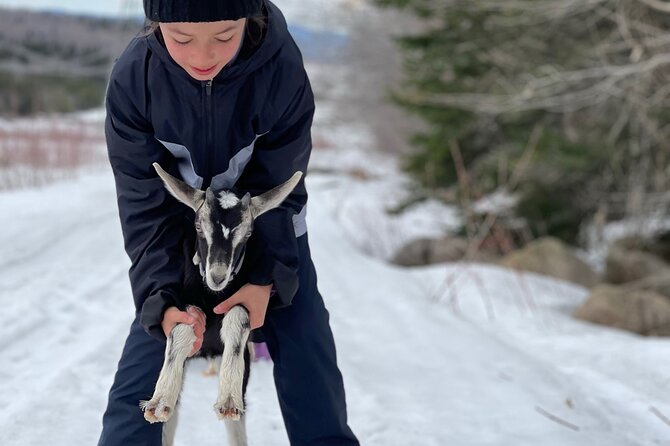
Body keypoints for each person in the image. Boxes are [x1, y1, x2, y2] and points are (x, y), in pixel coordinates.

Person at [98, 1, 360, 445]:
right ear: (156, 23)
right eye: (181, 38)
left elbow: (282, 186)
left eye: (224, 36)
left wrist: (265, 279)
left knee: (308, 358)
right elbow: (145, 206)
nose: (203, 57)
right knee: (142, 380)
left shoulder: (280, 69)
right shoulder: (134, 79)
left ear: (247, 17)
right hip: (186, 241)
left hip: (265, 228)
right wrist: (161, 301)